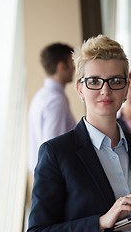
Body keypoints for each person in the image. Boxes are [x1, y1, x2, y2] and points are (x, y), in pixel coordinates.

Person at [27, 35, 131, 232]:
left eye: (116, 81)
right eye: (94, 81)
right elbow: (38, 230)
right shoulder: (56, 153)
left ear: (126, 89)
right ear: (80, 89)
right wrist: (101, 222)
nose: (105, 90)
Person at [28, 43, 76, 175]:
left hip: (43, 175)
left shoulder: (40, 96)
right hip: (54, 178)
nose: (74, 68)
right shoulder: (56, 101)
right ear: (61, 66)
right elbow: (54, 147)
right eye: (72, 63)